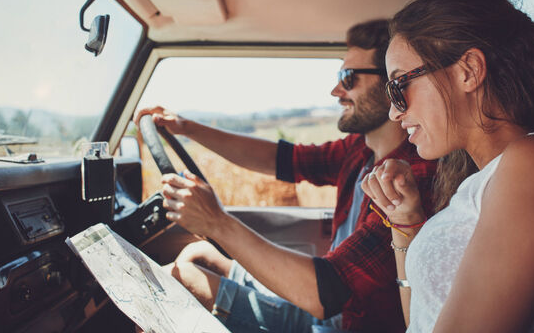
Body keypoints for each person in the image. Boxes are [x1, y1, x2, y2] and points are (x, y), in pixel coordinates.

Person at [136, 20, 437, 332]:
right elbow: (279, 158)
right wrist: (186, 128)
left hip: (342, 322)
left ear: (391, 85)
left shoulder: (409, 177)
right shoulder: (359, 151)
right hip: (329, 309)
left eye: (348, 78)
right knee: (198, 253)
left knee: (184, 279)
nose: (336, 90)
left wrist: (216, 222)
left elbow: (327, 294)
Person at [361, 0, 534, 332]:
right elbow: (423, 320)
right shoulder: (485, 179)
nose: (394, 113)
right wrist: (406, 221)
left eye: (400, 86)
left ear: (469, 70)